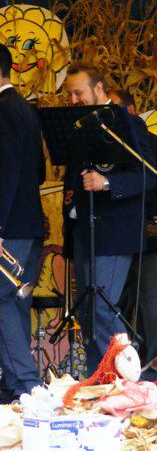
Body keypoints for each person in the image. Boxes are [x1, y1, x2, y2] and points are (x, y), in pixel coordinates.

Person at [62, 64, 157, 374]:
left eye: (79, 92)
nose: (74, 100)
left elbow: (150, 176)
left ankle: (126, 378)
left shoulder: (128, 123)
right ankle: (98, 381)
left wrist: (107, 183)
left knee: (102, 307)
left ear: (99, 88)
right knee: (87, 313)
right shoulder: (77, 126)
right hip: (84, 229)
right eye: (70, 94)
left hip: (115, 230)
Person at [110, 88, 157, 380]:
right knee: (118, 297)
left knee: (147, 296)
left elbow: (153, 183)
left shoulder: (151, 142)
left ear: (130, 111)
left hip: (146, 228)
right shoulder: (110, 143)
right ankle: (121, 361)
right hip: (118, 230)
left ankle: (154, 363)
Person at [0, 43, 44, 400]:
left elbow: (7, 173)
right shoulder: (25, 109)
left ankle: (26, 386)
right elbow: (39, 171)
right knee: (15, 305)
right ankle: (15, 387)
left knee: (1, 302)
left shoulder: (3, 109)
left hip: (9, 227)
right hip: (29, 225)